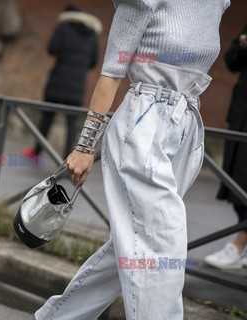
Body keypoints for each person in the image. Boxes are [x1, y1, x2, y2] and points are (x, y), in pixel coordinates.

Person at [34, 1, 230, 319]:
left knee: (133, 241)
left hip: (186, 127)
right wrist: (85, 147)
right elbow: (110, 73)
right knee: (163, 241)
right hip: (144, 122)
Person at [23, 5, 101, 159]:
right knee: (71, 123)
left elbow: (52, 49)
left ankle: (36, 152)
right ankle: (67, 158)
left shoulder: (63, 28)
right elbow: (93, 61)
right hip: (77, 84)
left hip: (58, 81)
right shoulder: (92, 34)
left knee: (47, 117)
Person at [205, 24, 247, 270]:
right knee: (237, 178)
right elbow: (230, 61)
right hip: (241, 114)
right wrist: (242, 44)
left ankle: (238, 245)